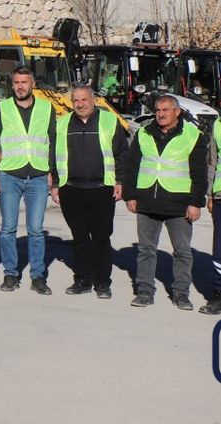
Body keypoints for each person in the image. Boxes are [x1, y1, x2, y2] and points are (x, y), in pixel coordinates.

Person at [124, 95, 207, 311]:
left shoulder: (192, 135)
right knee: (146, 250)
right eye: (158, 110)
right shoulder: (144, 133)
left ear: (177, 112)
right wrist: (130, 195)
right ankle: (144, 291)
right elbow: (131, 166)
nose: (160, 114)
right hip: (147, 201)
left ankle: (181, 294)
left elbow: (199, 173)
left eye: (166, 110)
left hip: (179, 204)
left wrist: (195, 203)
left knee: (182, 251)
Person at [49, 85, 128, 299]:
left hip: (102, 190)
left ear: (94, 100)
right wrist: (55, 184)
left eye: (84, 99)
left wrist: (120, 181)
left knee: (102, 237)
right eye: (76, 100)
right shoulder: (63, 123)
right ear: (71, 102)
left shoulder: (110, 121)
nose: (80, 104)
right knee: (80, 237)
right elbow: (54, 156)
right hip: (71, 189)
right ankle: (82, 279)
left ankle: (102, 282)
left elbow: (121, 154)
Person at [0, 65, 56, 295]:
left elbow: (53, 144)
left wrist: (52, 174)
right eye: (16, 82)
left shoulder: (47, 108)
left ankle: (37, 276)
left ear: (32, 83)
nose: (20, 86)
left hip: (37, 176)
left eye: (24, 82)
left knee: (36, 230)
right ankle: (11, 274)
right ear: (12, 84)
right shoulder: (2, 108)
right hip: (10, 176)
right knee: (8, 228)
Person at [203, 119, 221, 315]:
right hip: (220, 196)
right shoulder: (218, 125)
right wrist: (210, 194)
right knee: (220, 249)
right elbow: (212, 162)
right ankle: (218, 294)